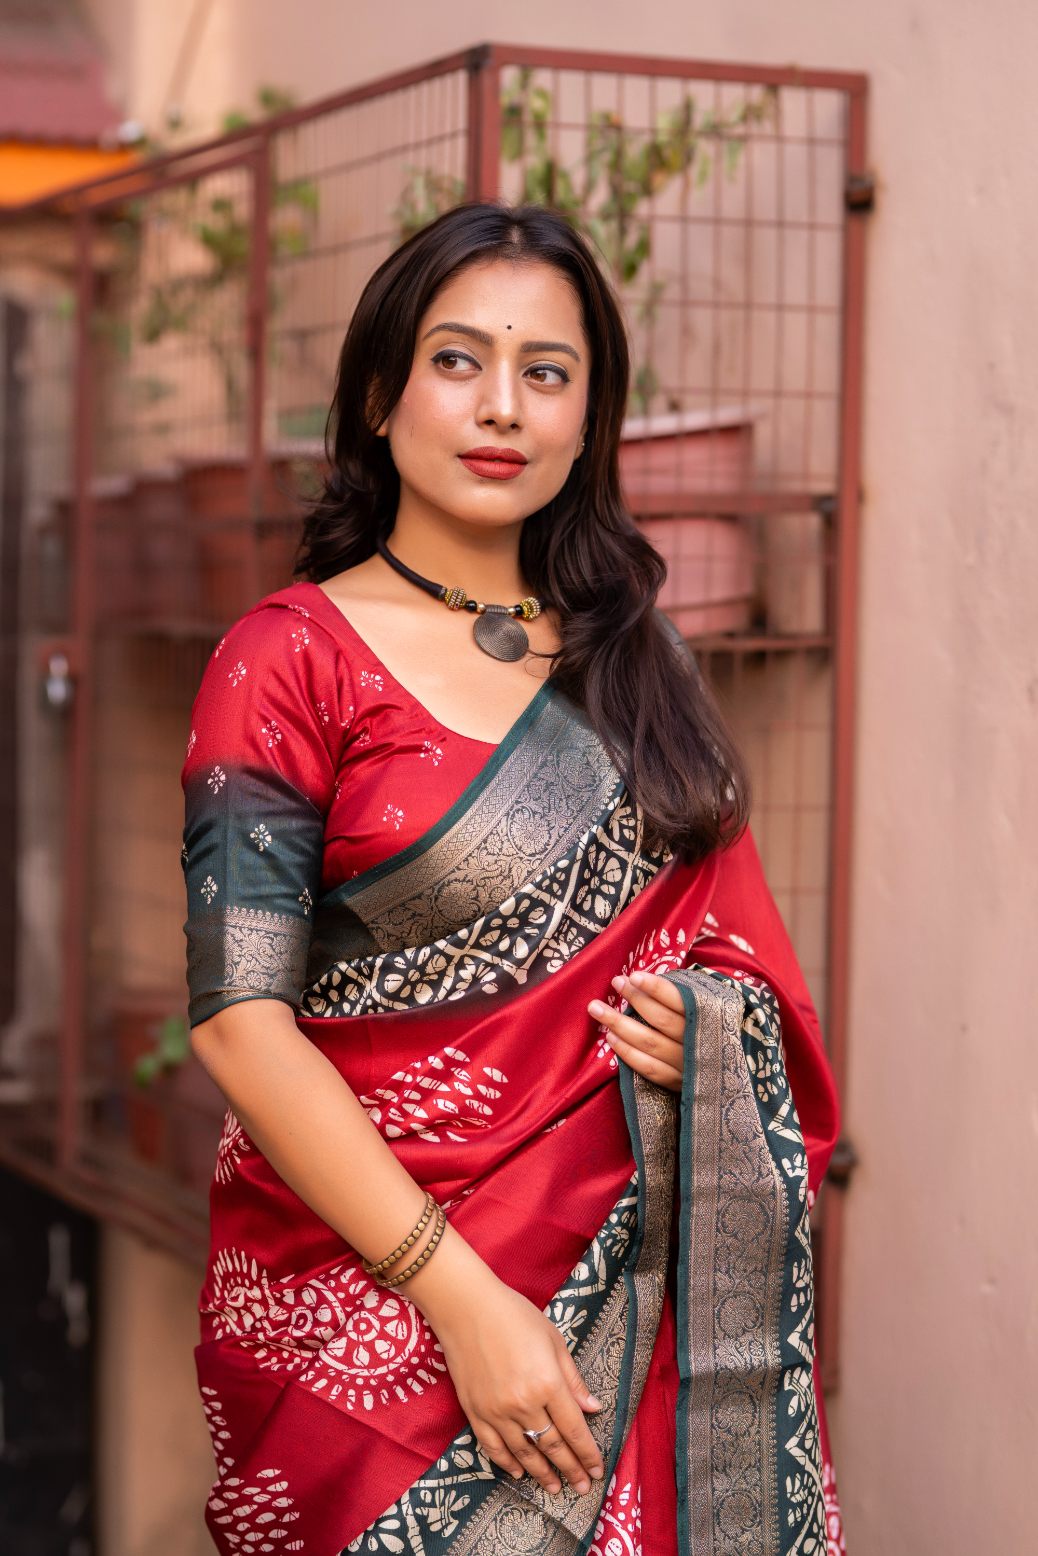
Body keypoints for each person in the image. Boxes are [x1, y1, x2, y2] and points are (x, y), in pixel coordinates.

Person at [180, 201, 846, 1555]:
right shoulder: (287, 658)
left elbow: (734, 955)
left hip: (626, 1261)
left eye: (546, 373)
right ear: (378, 393)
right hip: (360, 1302)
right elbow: (242, 1025)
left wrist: (714, 1037)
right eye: (456, 360)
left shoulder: (631, 655)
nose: (501, 408)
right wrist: (466, 1303)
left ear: (586, 415)